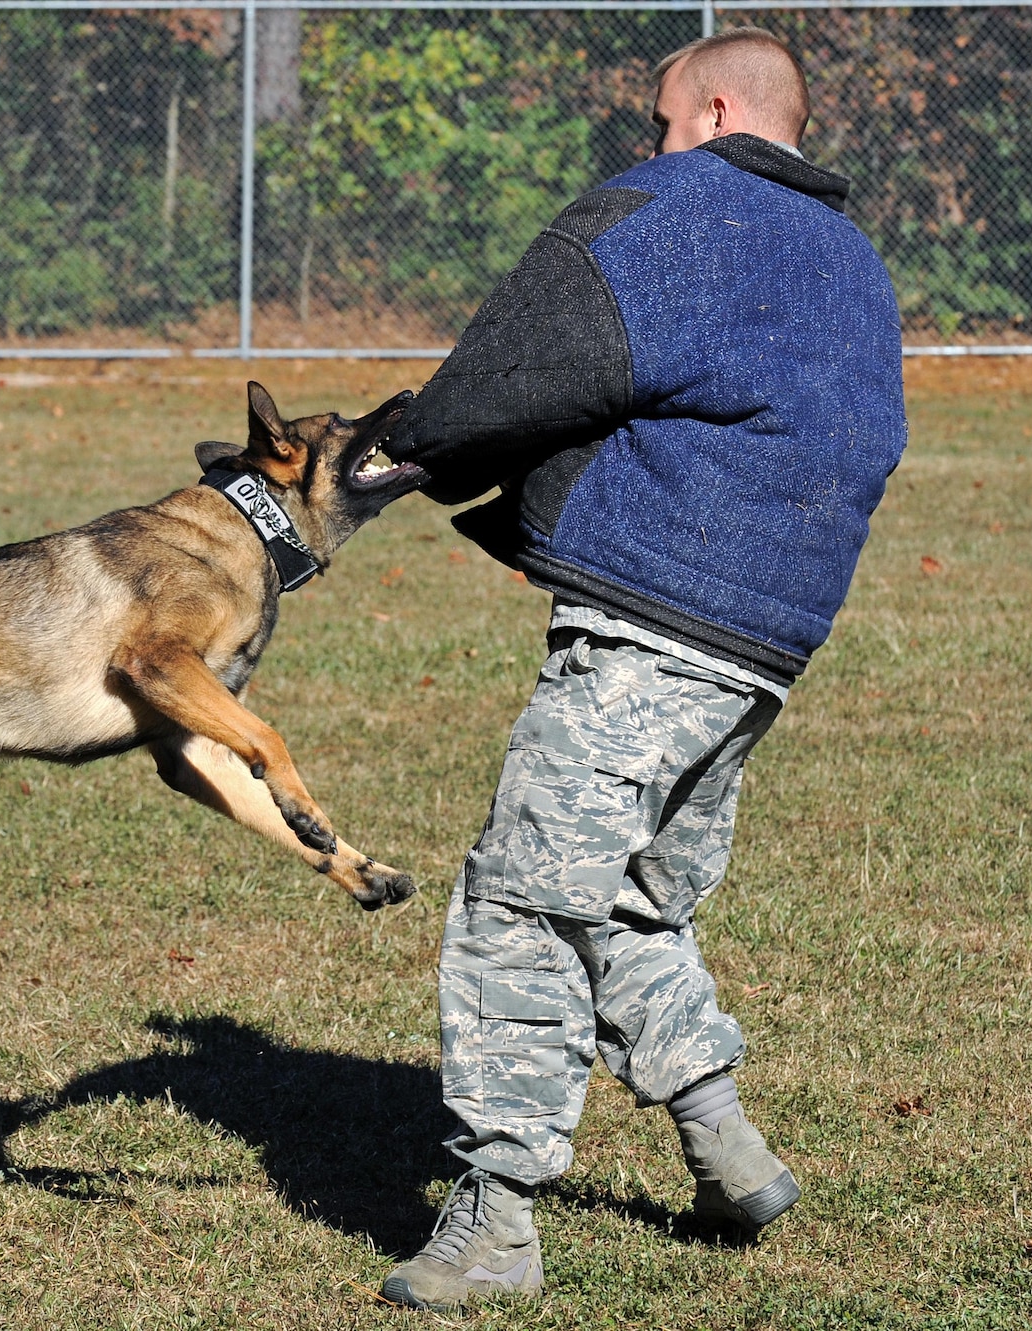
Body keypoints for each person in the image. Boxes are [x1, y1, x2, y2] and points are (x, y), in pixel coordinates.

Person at [374, 28, 909, 1311]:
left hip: (650, 626)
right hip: (768, 643)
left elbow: (498, 381)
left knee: (522, 902)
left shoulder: (670, 210)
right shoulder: (854, 261)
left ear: (714, 110)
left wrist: (404, 452)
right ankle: (726, 1146)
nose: (649, 145)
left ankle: (496, 1220)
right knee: (622, 899)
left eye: (661, 121)